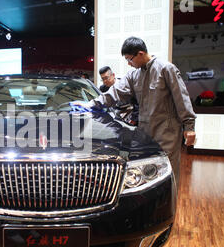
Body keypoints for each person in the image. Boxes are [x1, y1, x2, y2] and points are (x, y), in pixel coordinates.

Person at [73, 37, 196, 185]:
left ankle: (170, 203)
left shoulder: (165, 68)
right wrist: (91, 104)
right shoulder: (133, 75)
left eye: (129, 59)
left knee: (168, 171)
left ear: (140, 54)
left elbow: (181, 98)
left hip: (167, 131)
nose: (129, 64)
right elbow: (114, 92)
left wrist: (189, 126)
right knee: (147, 170)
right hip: (145, 130)